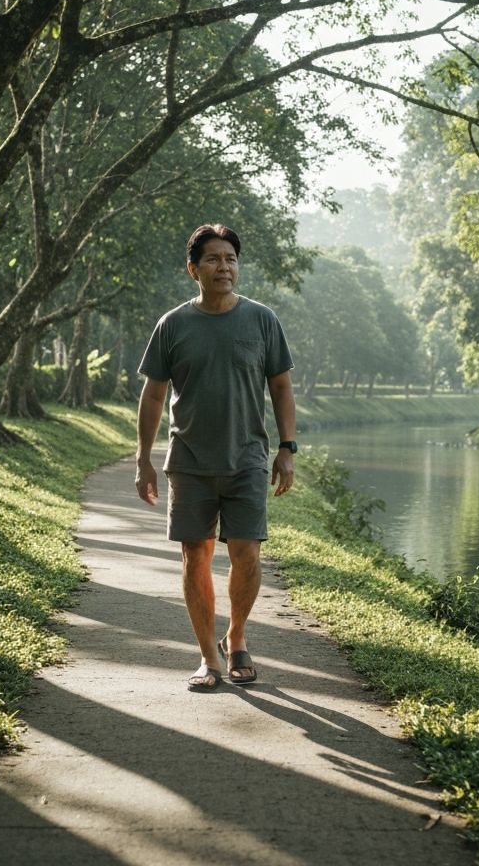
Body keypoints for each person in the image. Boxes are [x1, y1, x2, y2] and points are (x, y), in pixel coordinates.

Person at [135, 223, 297, 691]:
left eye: (230, 258)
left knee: (247, 554)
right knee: (196, 557)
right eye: (213, 259)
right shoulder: (173, 324)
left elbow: (281, 386)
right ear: (193, 269)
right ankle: (208, 656)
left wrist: (287, 449)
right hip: (189, 461)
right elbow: (153, 395)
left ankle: (237, 637)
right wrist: (144, 459)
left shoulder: (262, 320)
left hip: (247, 458)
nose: (224, 267)